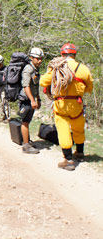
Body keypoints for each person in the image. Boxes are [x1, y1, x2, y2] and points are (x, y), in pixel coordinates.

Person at [40, 43, 94, 171]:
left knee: (63, 129)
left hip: (61, 103)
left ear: (62, 54)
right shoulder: (83, 68)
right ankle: (80, 153)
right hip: (77, 104)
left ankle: (68, 159)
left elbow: (43, 82)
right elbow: (89, 87)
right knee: (78, 127)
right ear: (74, 54)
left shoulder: (57, 68)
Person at [19, 47, 44, 154]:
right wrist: (32, 100)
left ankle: (27, 141)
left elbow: (35, 86)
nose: (40, 60)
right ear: (31, 58)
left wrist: (38, 98)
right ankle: (26, 146)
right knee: (25, 122)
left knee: (27, 121)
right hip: (25, 100)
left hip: (31, 99)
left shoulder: (35, 69)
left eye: (40, 58)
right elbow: (26, 86)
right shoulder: (28, 69)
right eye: (37, 58)